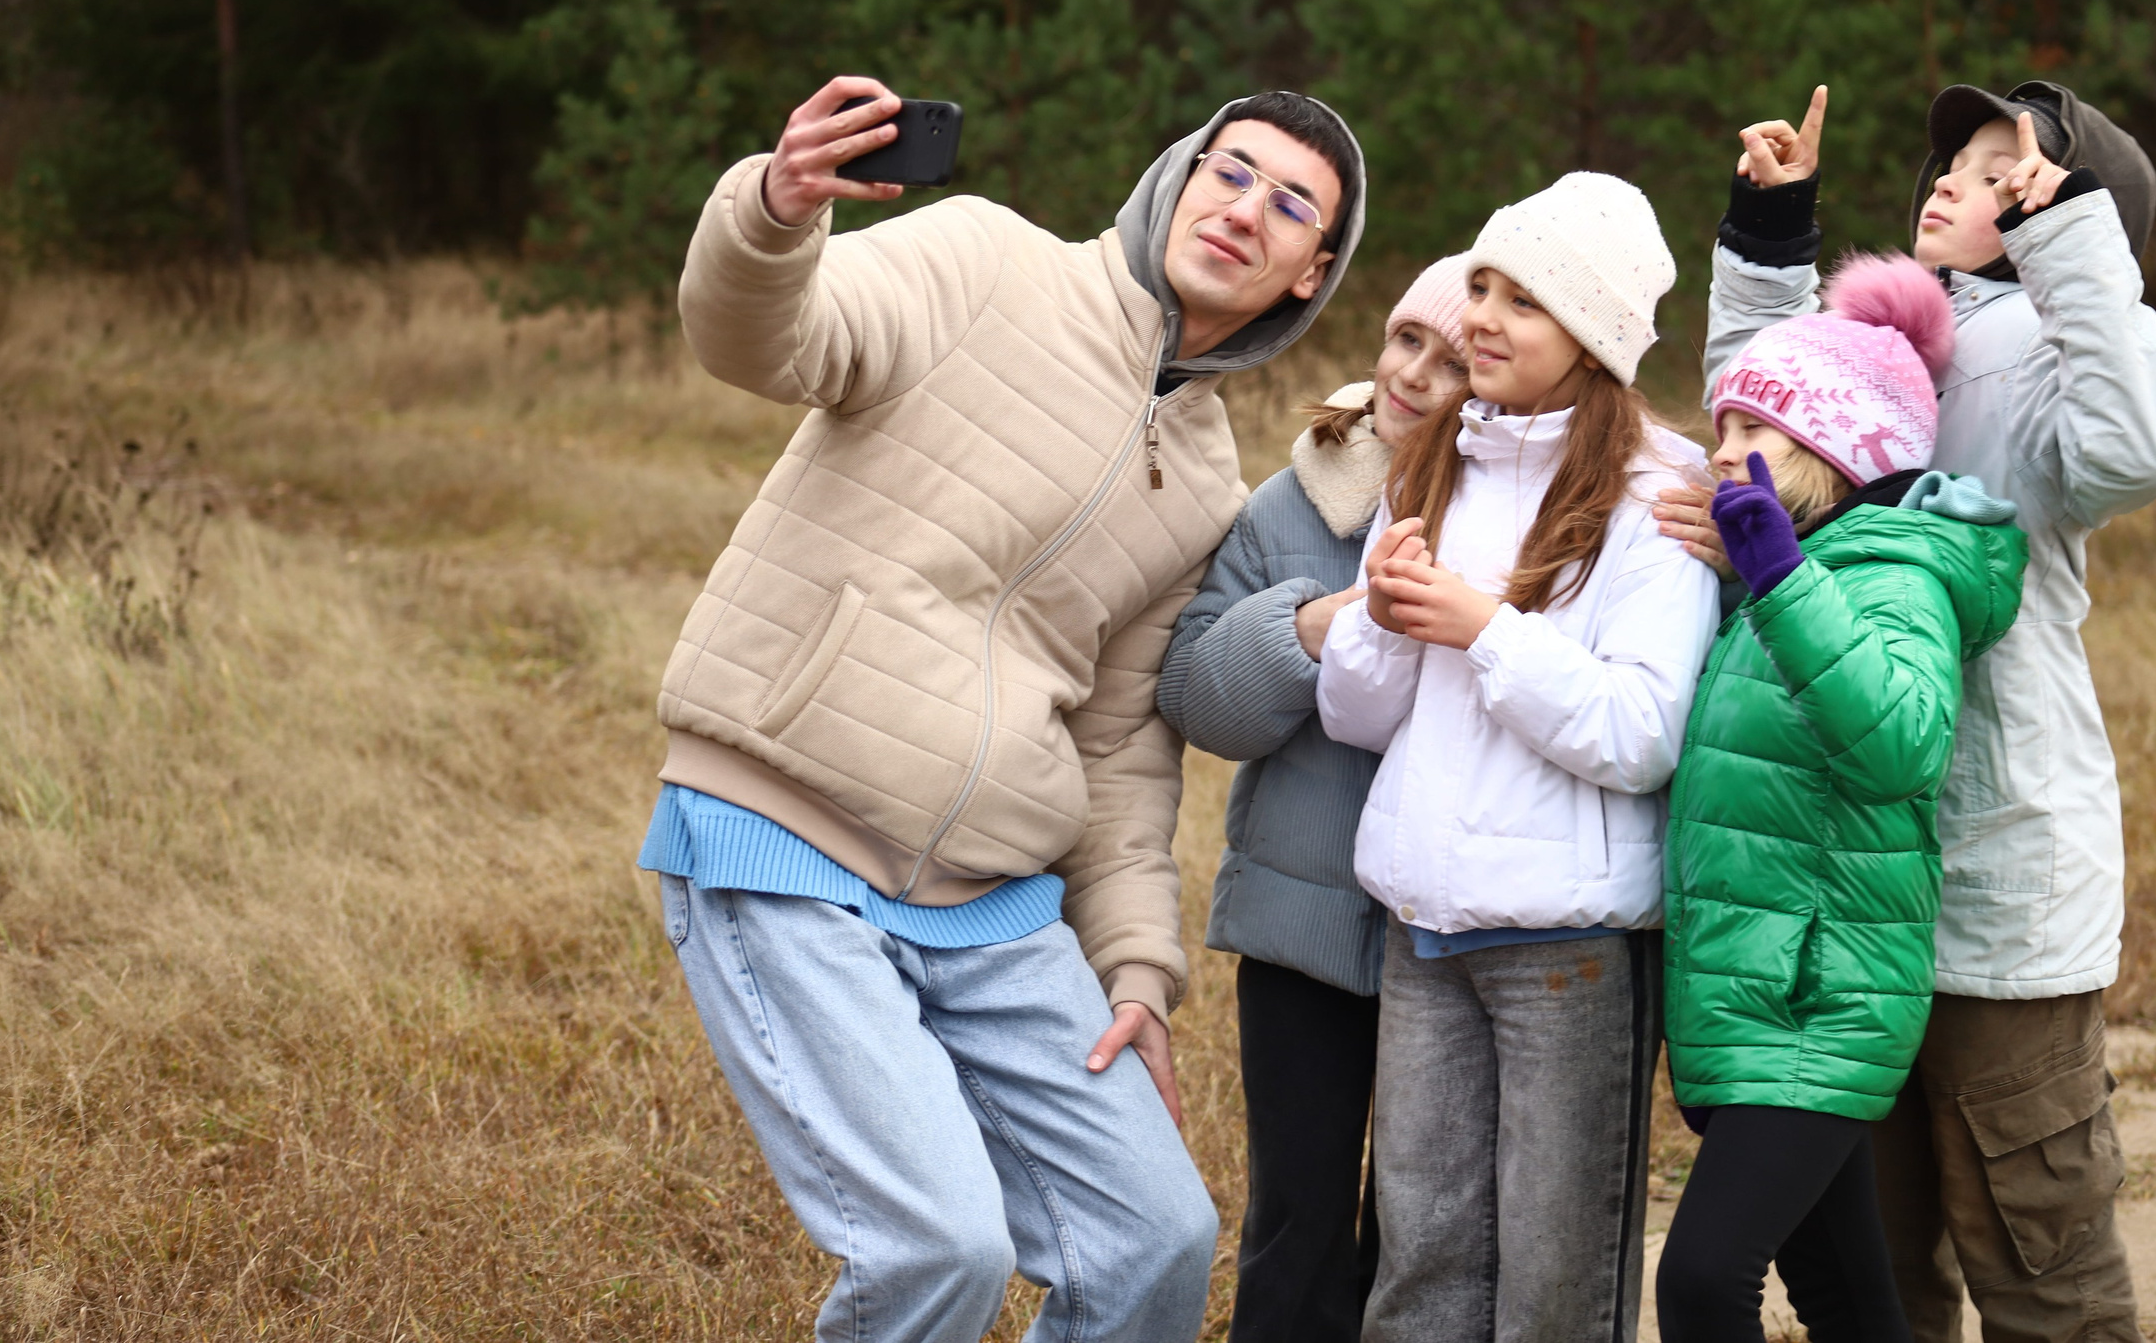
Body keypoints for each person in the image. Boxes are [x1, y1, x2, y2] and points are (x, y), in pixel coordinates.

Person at [638, 78, 1367, 1343]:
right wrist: (773, 208)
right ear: (1179, 174)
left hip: (992, 898)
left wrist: (1135, 964)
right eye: (1231, 171)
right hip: (784, 837)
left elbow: (1123, 741)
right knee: (938, 1249)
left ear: (1312, 272)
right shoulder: (984, 259)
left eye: (1292, 205)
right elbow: (770, 340)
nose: (1248, 210)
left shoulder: (1200, 478)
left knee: (1158, 1239)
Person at [1657, 83, 2156, 1343]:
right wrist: (1770, 237)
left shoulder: (2064, 352)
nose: (1953, 180)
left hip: (1992, 881)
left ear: (2069, 217)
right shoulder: (1897, 352)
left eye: (2003, 170)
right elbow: (1762, 409)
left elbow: (2152, 448)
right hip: (1848, 899)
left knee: (2036, 1256)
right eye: (1953, 160)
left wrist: (2067, 242)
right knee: (1881, 1272)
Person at [1318, 174, 1721, 1343]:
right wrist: (1376, 625)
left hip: (1566, 947)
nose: (1480, 317)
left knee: (1554, 1285)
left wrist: (1484, 629)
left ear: (1592, 338)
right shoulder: (1433, 461)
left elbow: (1641, 734)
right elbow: (1361, 715)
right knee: (1419, 1269)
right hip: (1423, 927)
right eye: (1481, 285)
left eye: (1523, 300)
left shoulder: (1658, 491)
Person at [1653, 253, 2027, 1343]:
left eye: (1751, 434)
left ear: (1833, 449)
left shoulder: (1894, 576)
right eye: (1721, 426)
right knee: (1851, 1302)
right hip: (1756, 992)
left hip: (1818, 998)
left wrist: (1776, 576)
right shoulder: (1801, 572)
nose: (1721, 452)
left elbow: (1903, 744)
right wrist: (1760, 573)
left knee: (1700, 1282)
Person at [1156, 257, 1471, 1343]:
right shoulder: (1292, 503)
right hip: (1302, 934)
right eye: (1403, 341)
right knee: (1296, 1221)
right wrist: (1304, 631)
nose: (1415, 375)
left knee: (1421, 1227)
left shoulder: (1523, 519)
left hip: (1453, 939)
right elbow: (1199, 704)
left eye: (1455, 359)